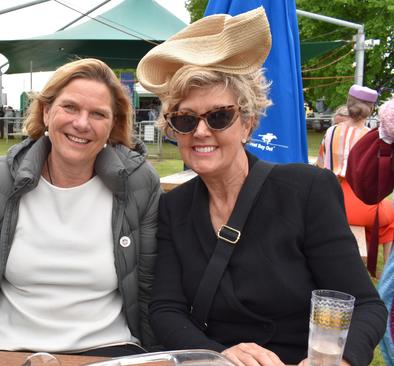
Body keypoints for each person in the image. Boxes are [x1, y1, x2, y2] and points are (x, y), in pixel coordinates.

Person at [136, 7, 386, 366]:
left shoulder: (306, 190)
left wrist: (338, 361)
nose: (202, 131)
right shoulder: (174, 207)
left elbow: (363, 305)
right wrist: (219, 353)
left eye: (219, 116)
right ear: (173, 129)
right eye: (186, 119)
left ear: (248, 123)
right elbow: (166, 309)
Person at [0, 58, 161, 356]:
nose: (82, 123)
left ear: (113, 125)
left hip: (107, 349)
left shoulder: (138, 184)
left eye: (98, 114)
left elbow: (149, 286)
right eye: (70, 107)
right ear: (46, 112)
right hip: (5, 348)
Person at [316, 85, 394, 266]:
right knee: (389, 220)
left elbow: (320, 166)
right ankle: (383, 272)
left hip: (331, 199)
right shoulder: (372, 137)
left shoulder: (331, 131)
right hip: (360, 201)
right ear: (372, 109)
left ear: (348, 104)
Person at [346, 97, 394, 366]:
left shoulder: (332, 132)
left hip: (344, 198)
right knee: (387, 218)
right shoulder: (367, 132)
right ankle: (385, 261)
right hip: (366, 205)